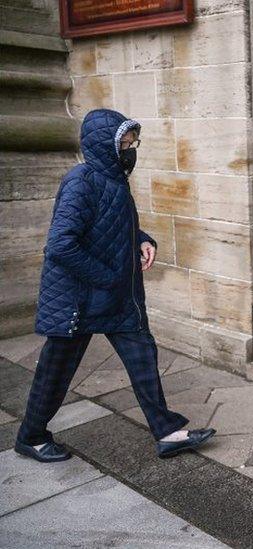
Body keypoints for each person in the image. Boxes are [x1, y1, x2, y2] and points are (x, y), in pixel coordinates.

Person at [15, 109, 216, 463]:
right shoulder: (82, 181)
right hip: (79, 300)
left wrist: (142, 238)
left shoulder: (114, 179)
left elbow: (109, 224)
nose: (130, 149)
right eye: (125, 143)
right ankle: (30, 436)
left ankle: (167, 432)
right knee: (56, 370)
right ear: (103, 145)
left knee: (142, 356)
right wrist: (108, 277)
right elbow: (61, 245)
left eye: (132, 142)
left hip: (117, 298)